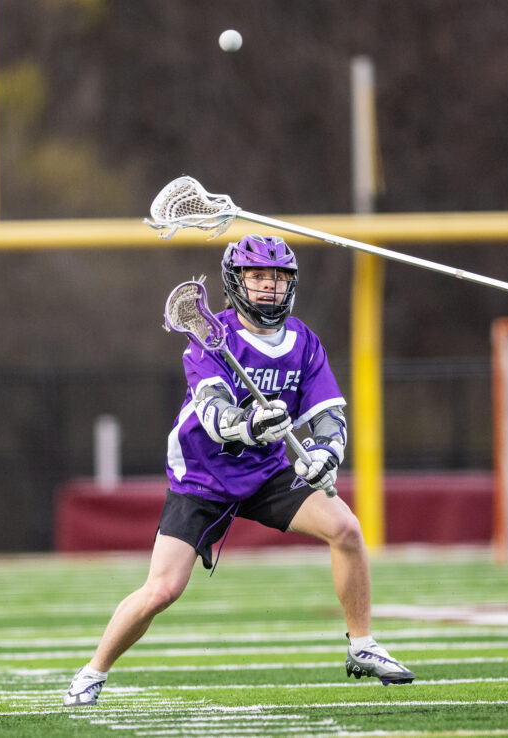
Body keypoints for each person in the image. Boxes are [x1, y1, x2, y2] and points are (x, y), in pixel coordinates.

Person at [64, 235, 414, 707]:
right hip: (202, 478)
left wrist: (326, 453)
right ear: (236, 281)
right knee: (162, 590)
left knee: (347, 530)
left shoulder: (304, 342)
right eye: (258, 276)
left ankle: (362, 645)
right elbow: (212, 411)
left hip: (267, 472)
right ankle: (93, 672)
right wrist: (248, 423)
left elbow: (328, 412)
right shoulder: (210, 338)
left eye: (278, 277)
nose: (269, 287)